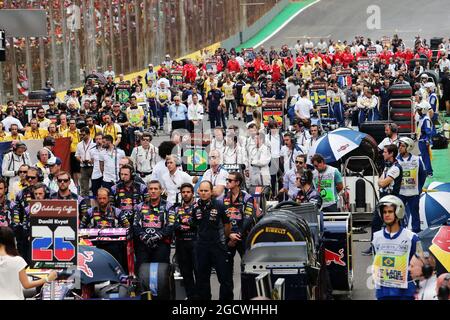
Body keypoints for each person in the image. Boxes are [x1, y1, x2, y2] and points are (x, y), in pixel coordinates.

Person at [191, 181, 233, 300]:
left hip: (218, 246)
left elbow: (227, 225)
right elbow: (195, 225)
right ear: (198, 191)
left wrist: (225, 239)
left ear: (211, 192)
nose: (203, 193)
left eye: (206, 191)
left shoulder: (219, 205)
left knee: (224, 279)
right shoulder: (195, 207)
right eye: (201, 191)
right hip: (202, 246)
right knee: (202, 279)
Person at [371, 195, 420, 300]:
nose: (387, 215)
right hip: (383, 292)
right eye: (384, 212)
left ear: (398, 212)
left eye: (390, 212)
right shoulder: (376, 237)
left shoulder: (412, 238)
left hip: (406, 292)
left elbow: (419, 265)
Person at [363, 144, 403, 256]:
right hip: (384, 199)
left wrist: (381, 182)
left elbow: (382, 183)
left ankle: (397, 247)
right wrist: (381, 182)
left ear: (391, 154)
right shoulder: (387, 166)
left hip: (391, 201)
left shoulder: (395, 168)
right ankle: (374, 247)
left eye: (385, 152)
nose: (383, 153)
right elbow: (380, 180)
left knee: (394, 224)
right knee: (376, 223)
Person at [0, 226, 58, 300]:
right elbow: (26, 285)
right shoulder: (17, 261)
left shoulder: (17, 260)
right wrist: (47, 278)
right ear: (11, 241)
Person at [133, 180, 174, 273]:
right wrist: (143, 236)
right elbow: (135, 225)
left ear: (161, 190)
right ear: (148, 191)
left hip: (161, 244)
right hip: (144, 244)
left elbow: (171, 225)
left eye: (156, 189)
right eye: (151, 189)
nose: (153, 191)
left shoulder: (168, 206)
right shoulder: (140, 206)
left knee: (161, 273)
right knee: (142, 272)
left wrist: (158, 236)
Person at [222, 172, 254, 273]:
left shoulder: (247, 197)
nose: (227, 182)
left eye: (230, 180)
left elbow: (248, 218)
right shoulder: (223, 198)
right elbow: (221, 219)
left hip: (243, 236)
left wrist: (238, 235)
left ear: (237, 182)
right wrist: (229, 235)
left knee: (246, 267)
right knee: (226, 269)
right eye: (227, 180)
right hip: (229, 236)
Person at [171, 183, 198, 300]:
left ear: (192, 193)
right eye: (183, 192)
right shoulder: (175, 208)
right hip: (181, 244)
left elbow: (198, 223)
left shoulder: (198, 206)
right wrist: (184, 225)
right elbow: (173, 224)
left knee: (199, 272)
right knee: (186, 274)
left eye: (188, 192)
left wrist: (185, 224)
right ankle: (191, 297)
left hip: (196, 243)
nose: (186, 194)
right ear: (181, 194)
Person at [397, 137, 427, 233]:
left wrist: (419, 187)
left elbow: (423, 174)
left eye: (402, 146)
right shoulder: (396, 160)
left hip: (413, 193)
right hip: (400, 193)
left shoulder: (417, 159)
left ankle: (416, 232)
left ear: (409, 147)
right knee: (398, 214)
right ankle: (400, 231)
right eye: (399, 145)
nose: (400, 148)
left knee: (415, 214)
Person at [75, 127, 96, 197]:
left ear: (88, 134)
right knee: (84, 187)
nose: (82, 136)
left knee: (95, 186)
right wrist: (81, 160)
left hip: (94, 167)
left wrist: (91, 161)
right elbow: (77, 155)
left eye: (83, 135)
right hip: (83, 167)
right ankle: (85, 204)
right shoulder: (79, 144)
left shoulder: (94, 143)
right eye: (81, 135)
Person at [415, 102, 433, 176]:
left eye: (419, 110)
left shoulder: (426, 119)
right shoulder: (421, 118)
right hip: (421, 139)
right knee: (424, 156)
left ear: (424, 110)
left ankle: (429, 172)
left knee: (425, 157)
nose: (418, 111)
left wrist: (427, 140)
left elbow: (428, 131)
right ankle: (427, 170)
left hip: (424, 140)